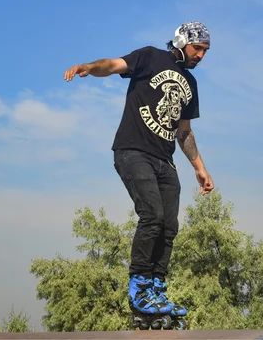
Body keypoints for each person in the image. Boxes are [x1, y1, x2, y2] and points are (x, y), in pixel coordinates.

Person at [63, 21, 215, 318]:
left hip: (165, 160)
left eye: (206, 51)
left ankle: (157, 287)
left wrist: (200, 168)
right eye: (198, 48)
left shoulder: (191, 85)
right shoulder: (150, 57)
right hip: (133, 151)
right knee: (152, 215)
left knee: (169, 225)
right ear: (182, 42)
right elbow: (113, 64)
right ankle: (139, 286)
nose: (201, 56)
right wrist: (88, 66)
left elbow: (184, 132)